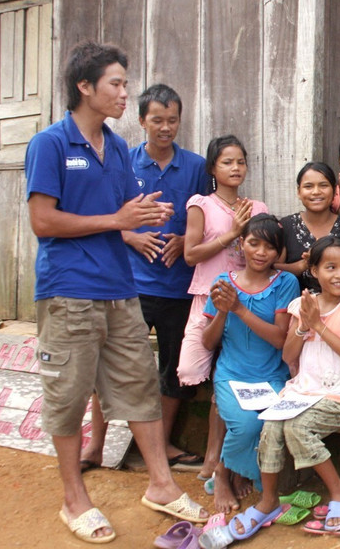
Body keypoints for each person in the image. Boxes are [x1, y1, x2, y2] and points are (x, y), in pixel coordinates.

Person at [25, 41, 207, 543]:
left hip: (120, 290)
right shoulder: (51, 144)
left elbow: (129, 209)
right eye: (116, 84)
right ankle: (74, 499)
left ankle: (162, 485)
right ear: (85, 87)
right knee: (68, 395)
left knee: (140, 386)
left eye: (125, 84)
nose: (125, 93)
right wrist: (119, 220)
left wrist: (148, 214)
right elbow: (43, 220)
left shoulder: (117, 148)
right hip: (68, 291)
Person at [199, 236, 340, 546]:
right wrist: (305, 326)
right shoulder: (299, 306)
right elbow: (288, 356)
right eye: (330, 267)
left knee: (297, 428)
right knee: (271, 426)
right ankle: (268, 501)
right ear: (314, 271)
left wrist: (319, 326)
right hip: (300, 392)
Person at [81, 84, 208, 474]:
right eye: (157, 120)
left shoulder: (196, 166)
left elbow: (209, 215)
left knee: (171, 369)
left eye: (172, 120)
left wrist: (185, 239)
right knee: (111, 366)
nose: (165, 128)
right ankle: (96, 446)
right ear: (141, 121)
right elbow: (100, 215)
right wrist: (130, 235)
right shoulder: (122, 161)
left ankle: (164, 444)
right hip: (130, 284)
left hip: (177, 286)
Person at [176, 134, 268, 512]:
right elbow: (190, 253)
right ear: (213, 168)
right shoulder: (201, 204)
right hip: (207, 296)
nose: (235, 168)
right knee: (192, 367)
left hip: (245, 300)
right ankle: (218, 456)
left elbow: (264, 251)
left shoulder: (256, 206)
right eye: (227, 162)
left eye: (240, 162)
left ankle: (217, 457)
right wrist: (232, 233)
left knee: (227, 380)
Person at [200, 214, 299, 516]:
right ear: (241, 244)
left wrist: (239, 309)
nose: (260, 252)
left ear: (279, 253)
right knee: (244, 427)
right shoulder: (223, 283)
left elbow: (281, 340)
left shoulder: (285, 282)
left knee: (267, 425)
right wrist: (222, 312)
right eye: (253, 243)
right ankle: (221, 474)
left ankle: (236, 470)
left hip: (271, 377)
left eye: (269, 247)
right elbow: (208, 343)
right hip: (232, 376)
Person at [277, 162, 340, 293]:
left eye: (323, 185)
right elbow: (271, 269)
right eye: (308, 186)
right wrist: (301, 265)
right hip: (295, 305)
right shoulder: (285, 226)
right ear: (299, 192)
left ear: (334, 191)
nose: (316, 192)